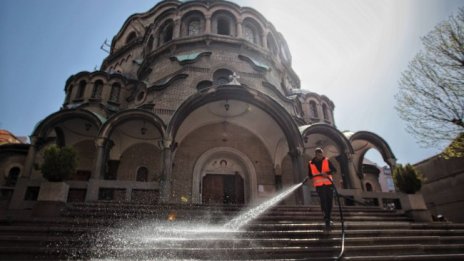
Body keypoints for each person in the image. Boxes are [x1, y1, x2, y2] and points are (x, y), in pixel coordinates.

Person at [307, 147, 337, 229]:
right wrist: (309, 177)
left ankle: (328, 217)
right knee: (323, 200)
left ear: (322, 154)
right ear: (315, 154)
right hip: (319, 185)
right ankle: (326, 218)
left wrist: (327, 173)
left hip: (328, 184)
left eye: (320, 154)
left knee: (329, 201)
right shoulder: (311, 163)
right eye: (318, 154)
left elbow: (334, 170)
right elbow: (310, 174)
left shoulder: (327, 161)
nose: (319, 155)